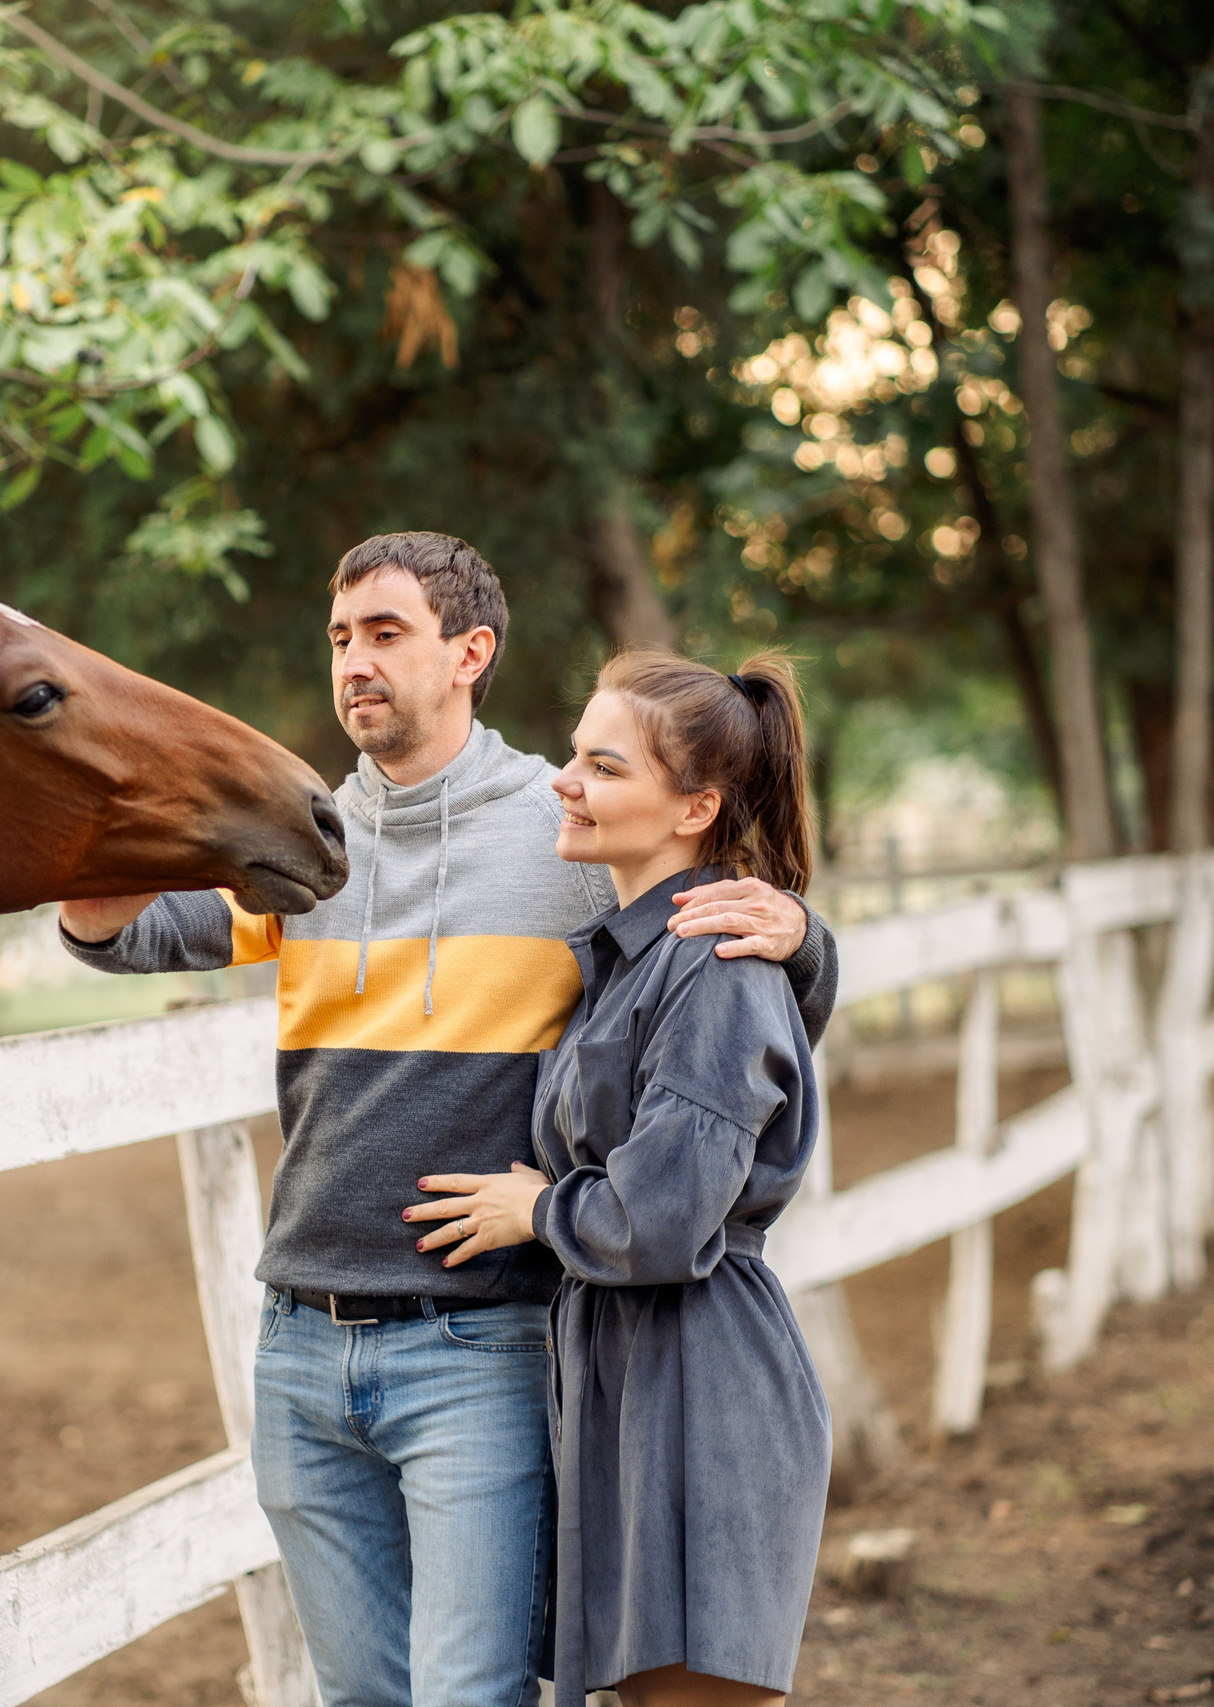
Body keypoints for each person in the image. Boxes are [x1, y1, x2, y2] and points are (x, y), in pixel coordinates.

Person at [57, 535, 837, 1707]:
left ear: (470, 652)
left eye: (384, 634)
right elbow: (130, 932)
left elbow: (713, 947)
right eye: (338, 639)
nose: (353, 664)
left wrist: (805, 934)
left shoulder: (566, 827)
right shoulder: (300, 840)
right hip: (302, 1337)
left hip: (477, 1342)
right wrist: (78, 837)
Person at [404, 648, 832, 1707]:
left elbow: (664, 1216)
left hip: (701, 1385)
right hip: (620, 1377)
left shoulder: (714, 963)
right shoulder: (632, 955)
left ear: (694, 807)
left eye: (602, 766)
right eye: (572, 754)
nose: (565, 779)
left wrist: (533, 1209)